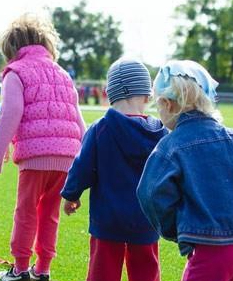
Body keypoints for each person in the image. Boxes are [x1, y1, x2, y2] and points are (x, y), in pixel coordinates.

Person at [137, 60, 233, 281]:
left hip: (215, 247)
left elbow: (150, 193)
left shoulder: (170, 146)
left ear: (167, 104)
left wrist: (174, 229)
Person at [0, 13, 86, 281]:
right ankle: (43, 269)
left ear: (11, 48)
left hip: (35, 157)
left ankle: (19, 269)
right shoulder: (63, 73)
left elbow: (10, 113)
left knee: (26, 212)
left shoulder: (15, 72)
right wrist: (85, 159)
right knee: (50, 215)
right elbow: (78, 117)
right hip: (67, 157)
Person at [61, 59, 167, 281]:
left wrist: (71, 194)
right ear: (147, 96)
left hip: (107, 219)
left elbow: (82, 166)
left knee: (103, 272)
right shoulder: (161, 133)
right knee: (146, 271)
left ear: (109, 94)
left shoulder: (101, 128)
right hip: (146, 219)